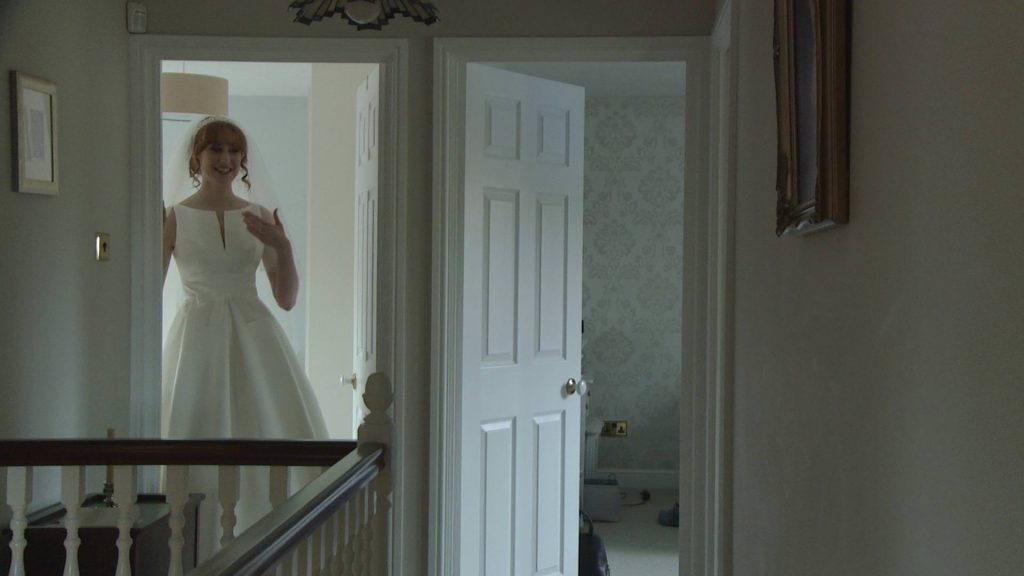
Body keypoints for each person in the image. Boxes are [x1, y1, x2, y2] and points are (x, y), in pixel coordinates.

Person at [161, 116, 327, 559]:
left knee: (266, 429)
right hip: (195, 336)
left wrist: (284, 246)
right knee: (196, 434)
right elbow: (144, 291)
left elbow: (286, 298)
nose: (226, 159)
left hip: (256, 336)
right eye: (215, 149)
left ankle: (268, 549)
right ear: (196, 156)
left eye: (234, 151)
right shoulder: (173, 217)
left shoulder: (259, 216)